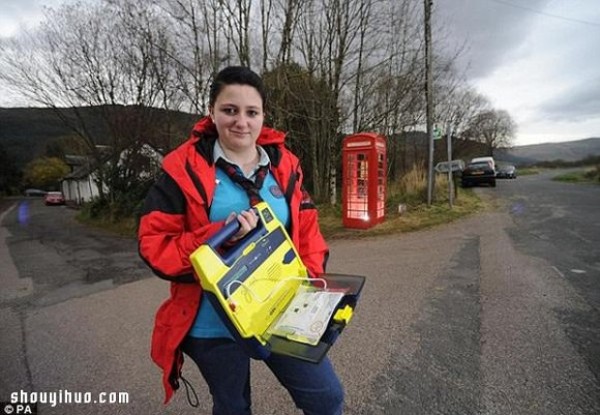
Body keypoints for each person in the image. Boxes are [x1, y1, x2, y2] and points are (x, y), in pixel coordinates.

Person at [138, 66, 344, 415]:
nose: (241, 122)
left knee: (326, 398)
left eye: (252, 112)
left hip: (281, 310)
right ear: (212, 112)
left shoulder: (286, 166)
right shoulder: (181, 169)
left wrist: (305, 289)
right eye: (229, 110)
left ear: (264, 116)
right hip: (212, 322)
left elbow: (308, 232)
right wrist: (220, 237)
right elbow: (154, 246)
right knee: (233, 407)